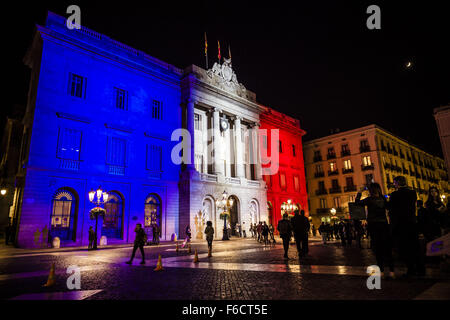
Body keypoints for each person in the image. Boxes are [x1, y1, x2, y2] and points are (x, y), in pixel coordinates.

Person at [388, 176, 425, 277]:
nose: (394, 184)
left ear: (398, 183)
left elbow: (390, 207)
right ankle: (421, 269)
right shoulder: (412, 193)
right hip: (412, 222)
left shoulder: (394, 194)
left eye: (394, 183)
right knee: (415, 247)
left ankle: (411, 269)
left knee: (405, 248)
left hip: (401, 224)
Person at [356, 183, 395, 278]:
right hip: (384, 225)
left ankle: (381, 271)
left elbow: (357, 202)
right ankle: (391, 271)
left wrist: (360, 192)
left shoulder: (369, 200)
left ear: (370, 191)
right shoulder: (383, 199)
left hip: (374, 226)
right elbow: (390, 207)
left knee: (378, 249)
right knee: (387, 248)